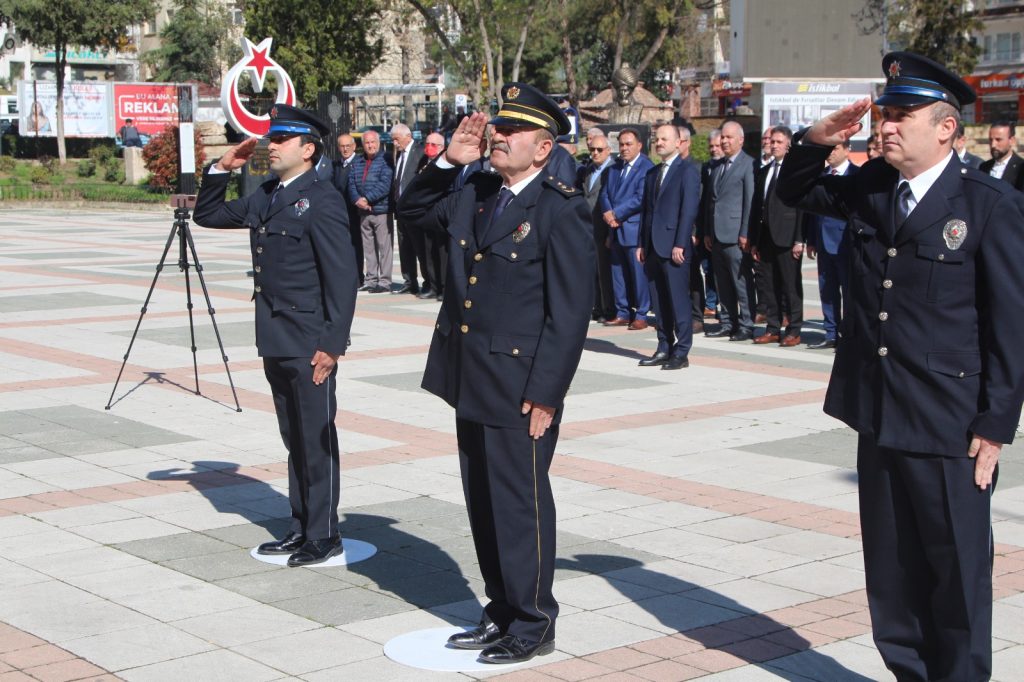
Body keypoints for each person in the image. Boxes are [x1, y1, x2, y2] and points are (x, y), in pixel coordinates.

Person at [777, 51, 1024, 681]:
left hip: (950, 422)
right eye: (883, 114)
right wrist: (816, 140)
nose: (885, 126)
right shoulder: (872, 185)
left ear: (946, 128)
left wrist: (996, 424)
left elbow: (1011, 325)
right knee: (890, 570)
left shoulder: (987, 204)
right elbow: (795, 190)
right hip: (878, 408)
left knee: (955, 571)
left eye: (901, 115)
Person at [397, 82, 594, 665]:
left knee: (520, 504)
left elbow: (569, 313)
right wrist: (445, 162)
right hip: (471, 376)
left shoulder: (561, 208)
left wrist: (547, 394)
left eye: (513, 131)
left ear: (543, 148)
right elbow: (409, 211)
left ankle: (533, 620)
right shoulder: (477, 191)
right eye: (498, 128)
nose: (498, 136)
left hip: (520, 385)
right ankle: (500, 608)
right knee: (481, 500)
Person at [193, 105, 358, 567]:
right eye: (272, 137)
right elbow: (207, 216)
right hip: (275, 337)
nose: (272, 145)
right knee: (295, 437)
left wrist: (332, 344)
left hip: (309, 340)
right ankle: (301, 525)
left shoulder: (322, 199)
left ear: (308, 149)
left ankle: (324, 534)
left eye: (283, 139)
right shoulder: (267, 193)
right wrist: (221, 169)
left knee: (316, 437)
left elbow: (341, 278)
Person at [636, 124, 700, 370]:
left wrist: (680, 243)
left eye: (665, 139)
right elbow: (646, 212)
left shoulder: (687, 171)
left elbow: (688, 211)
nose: (659, 142)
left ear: (678, 142)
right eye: (657, 138)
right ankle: (664, 346)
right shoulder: (652, 173)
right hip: (652, 246)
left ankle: (681, 352)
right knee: (658, 301)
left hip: (674, 246)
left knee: (677, 300)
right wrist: (642, 243)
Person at [749, 125, 804, 347]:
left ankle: (794, 329)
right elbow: (757, 207)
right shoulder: (765, 170)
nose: (773, 145)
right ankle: (773, 328)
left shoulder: (794, 172)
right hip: (766, 237)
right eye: (772, 141)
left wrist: (800, 238)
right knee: (769, 285)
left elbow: (802, 207)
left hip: (787, 236)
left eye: (779, 142)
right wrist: (754, 240)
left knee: (790, 286)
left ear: (788, 146)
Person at [702, 121, 756, 341]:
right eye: (722, 137)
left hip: (735, 235)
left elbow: (749, 202)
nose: (724, 141)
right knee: (721, 281)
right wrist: (707, 231)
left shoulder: (748, 165)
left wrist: (745, 232)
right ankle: (727, 321)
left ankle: (746, 324)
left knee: (740, 282)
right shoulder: (717, 166)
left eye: (729, 137)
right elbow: (710, 202)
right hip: (716, 234)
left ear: (740, 140)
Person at [804, 140, 858, 350]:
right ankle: (831, 333)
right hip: (823, 242)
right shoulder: (822, 176)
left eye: (834, 148)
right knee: (827, 290)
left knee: (849, 292)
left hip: (846, 243)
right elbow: (813, 210)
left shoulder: (857, 175)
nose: (830, 153)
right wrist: (811, 239)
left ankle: (849, 334)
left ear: (847, 149)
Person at [600, 128, 654, 329]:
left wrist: (617, 214)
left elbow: (641, 198)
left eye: (628, 144)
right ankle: (622, 311)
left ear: (639, 145)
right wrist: (608, 214)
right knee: (618, 274)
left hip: (633, 230)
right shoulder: (614, 169)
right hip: (614, 229)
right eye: (621, 144)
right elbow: (604, 194)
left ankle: (641, 314)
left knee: (638, 275)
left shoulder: (646, 167)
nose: (624, 148)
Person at [347, 130, 393, 293]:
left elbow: (385, 184)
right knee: (369, 248)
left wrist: (367, 199)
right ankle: (371, 279)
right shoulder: (358, 162)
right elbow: (351, 183)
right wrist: (357, 200)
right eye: (367, 142)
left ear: (378, 143)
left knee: (384, 247)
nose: (370, 145)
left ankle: (385, 281)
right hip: (363, 212)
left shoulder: (386, 159)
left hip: (380, 210)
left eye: (373, 142)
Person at [579, 134, 616, 322]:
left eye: (599, 150)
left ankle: (609, 308)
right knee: (592, 269)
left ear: (608, 151)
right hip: (588, 227)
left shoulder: (613, 170)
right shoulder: (588, 170)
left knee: (604, 271)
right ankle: (598, 306)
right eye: (592, 149)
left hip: (603, 227)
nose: (595, 153)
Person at [390, 123, 427, 296]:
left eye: (396, 139)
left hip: (415, 209)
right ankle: (409, 281)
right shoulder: (398, 155)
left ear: (407, 136)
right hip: (400, 210)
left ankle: (428, 282)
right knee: (405, 248)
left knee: (419, 247)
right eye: (393, 140)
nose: (395, 143)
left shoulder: (420, 152)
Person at [332, 133, 363, 285]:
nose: (345, 149)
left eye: (348, 146)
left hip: (355, 212)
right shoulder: (337, 164)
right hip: (339, 212)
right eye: (342, 146)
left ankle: (358, 277)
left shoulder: (360, 162)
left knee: (356, 245)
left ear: (354, 146)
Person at [421, 132, 448, 299]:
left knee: (442, 253)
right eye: (427, 143)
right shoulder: (423, 163)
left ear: (442, 147)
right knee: (428, 251)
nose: (429, 147)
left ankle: (444, 288)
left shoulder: (446, 163)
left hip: (441, 213)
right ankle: (433, 285)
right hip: (426, 213)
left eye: (434, 144)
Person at [979, 120, 1024, 189]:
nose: (993, 145)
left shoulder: (1021, 168)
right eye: (991, 140)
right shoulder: (984, 167)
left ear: (1012, 140)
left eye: (998, 140)